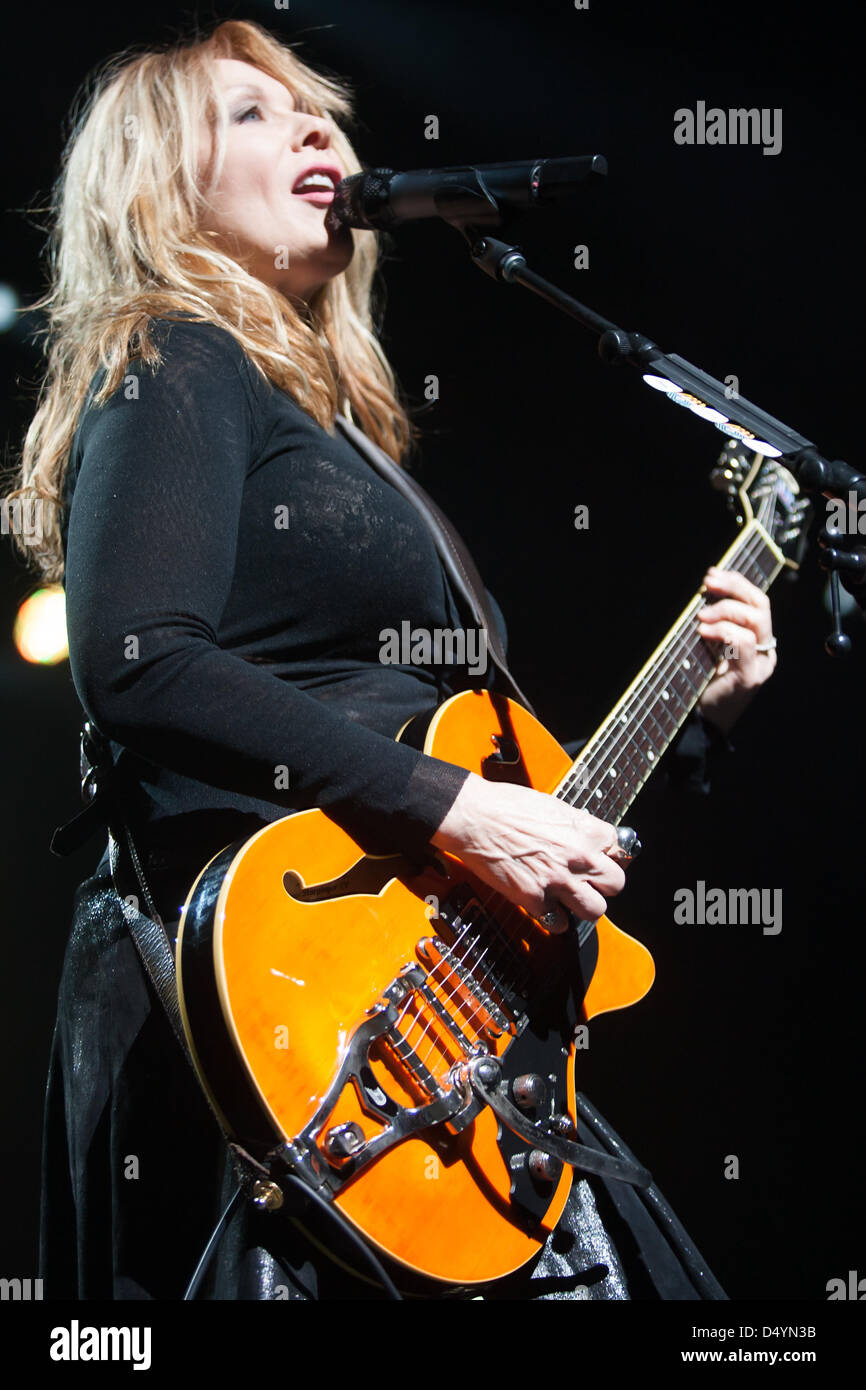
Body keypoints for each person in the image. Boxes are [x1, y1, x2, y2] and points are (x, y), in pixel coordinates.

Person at [6, 18, 777, 1301]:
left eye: (317, 110)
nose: (316, 128)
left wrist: (696, 715)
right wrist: (460, 807)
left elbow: (533, 814)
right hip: (283, 1011)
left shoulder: (331, 424)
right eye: (252, 114)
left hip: (425, 1021)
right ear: (159, 182)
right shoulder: (175, 354)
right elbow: (138, 662)